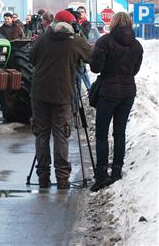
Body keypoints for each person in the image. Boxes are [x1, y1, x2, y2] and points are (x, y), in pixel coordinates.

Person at [29, 10, 92, 190]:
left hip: (39, 94)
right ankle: (63, 179)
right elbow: (92, 57)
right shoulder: (75, 42)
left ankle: (43, 177)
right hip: (62, 96)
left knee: (41, 135)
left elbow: (31, 58)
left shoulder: (42, 38)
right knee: (61, 135)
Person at [89, 12, 143, 192]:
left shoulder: (104, 42)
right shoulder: (136, 45)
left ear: (112, 23)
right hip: (128, 91)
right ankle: (117, 170)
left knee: (102, 133)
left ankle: (102, 174)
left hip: (108, 92)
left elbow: (96, 67)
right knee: (120, 133)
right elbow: (135, 70)